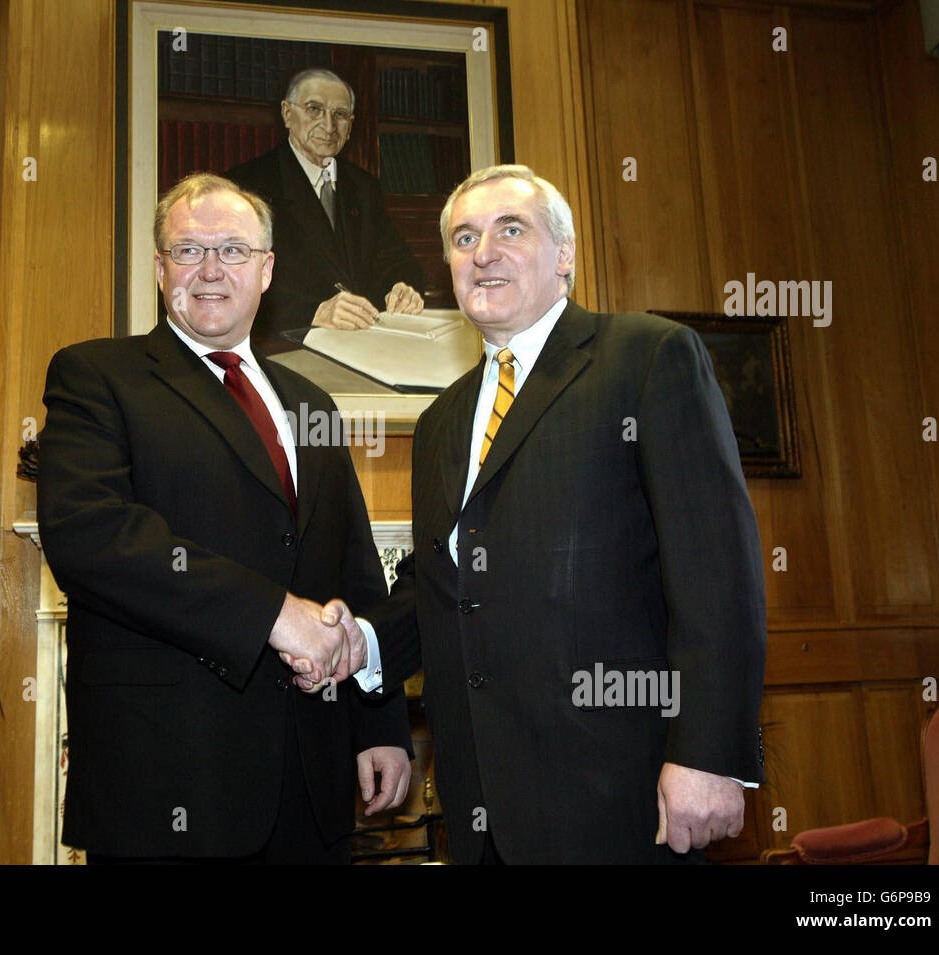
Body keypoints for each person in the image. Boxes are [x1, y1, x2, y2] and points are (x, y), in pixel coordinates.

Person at [290, 164, 768, 864]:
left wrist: (710, 753)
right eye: (463, 237)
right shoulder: (442, 421)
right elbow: (438, 586)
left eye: (510, 229)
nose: (483, 252)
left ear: (564, 254)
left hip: (622, 798)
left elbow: (718, 570)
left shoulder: (645, 356)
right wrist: (358, 642)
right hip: (482, 808)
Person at [37, 172, 411, 864]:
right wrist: (274, 614)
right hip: (170, 781)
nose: (211, 269)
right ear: (159, 267)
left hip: (309, 780)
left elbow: (353, 565)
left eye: (234, 250)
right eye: (188, 250)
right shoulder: (98, 377)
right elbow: (91, 537)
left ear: (267, 270)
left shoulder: (312, 403)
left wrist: (377, 721)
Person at [227, 67, 426, 348]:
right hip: (286, 346)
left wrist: (403, 286)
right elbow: (235, 282)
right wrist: (314, 312)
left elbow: (397, 259)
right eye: (314, 109)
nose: (329, 125)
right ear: (287, 113)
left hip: (367, 343)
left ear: (351, 124)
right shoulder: (246, 185)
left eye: (340, 115)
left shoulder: (364, 186)